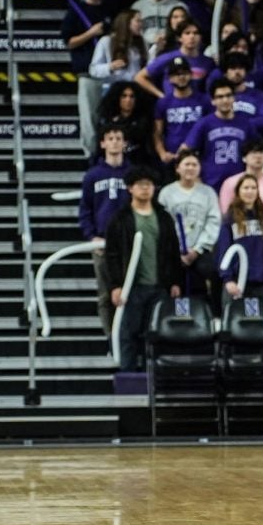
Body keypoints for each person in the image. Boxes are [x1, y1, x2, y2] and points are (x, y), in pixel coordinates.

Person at [103, 167, 183, 370]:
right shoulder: (120, 219)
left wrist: (175, 281)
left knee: (158, 334)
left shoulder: (164, 218)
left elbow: (173, 251)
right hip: (132, 287)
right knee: (128, 333)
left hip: (159, 285)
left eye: (149, 184)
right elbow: (111, 255)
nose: (145, 189)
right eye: (140, 184)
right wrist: (115, 285)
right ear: (130, 188)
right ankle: (128, 375)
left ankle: (156, 376)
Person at [80, 125, 130, 333]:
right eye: (110, 138)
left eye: (119, 138)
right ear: (102, 143)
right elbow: (85, 209)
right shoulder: (93, 175)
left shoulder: (132, 173)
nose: (115, 142)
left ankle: (128, 340)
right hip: (102, 241)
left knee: (129, 294)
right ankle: (110, 338)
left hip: (128, 241)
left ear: (125, 143)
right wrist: (91, 236)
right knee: (105, 293)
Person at [158, 149, 222, 313]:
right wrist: (175, 250)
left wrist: (197, 249)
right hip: (174, 253)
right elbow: (162, 224)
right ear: (177, 168)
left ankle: (211, 317)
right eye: (187, 164)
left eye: (194, 164)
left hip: (200, 251)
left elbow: (214, 221)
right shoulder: (166, 193)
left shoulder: (208, 193)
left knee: (211, 277)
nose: (190, 168)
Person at [181, 79, 262, 190]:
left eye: (228, 96)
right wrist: (196, 178)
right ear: (213, 101)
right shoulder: (204, 124)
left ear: (234, 98)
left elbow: (259, 150)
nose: (225, 100)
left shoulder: (245, 123)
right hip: (210, 184)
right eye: (220, 97)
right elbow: (184, 151)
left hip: (240, 185)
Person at [216, 174, 263, 303]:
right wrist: (227, 279)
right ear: (238, 191)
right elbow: (223, 250)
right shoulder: (229, 218)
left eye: (253, 188)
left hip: (262, 281)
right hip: (236, 282)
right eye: (246, 188)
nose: (250, 191)